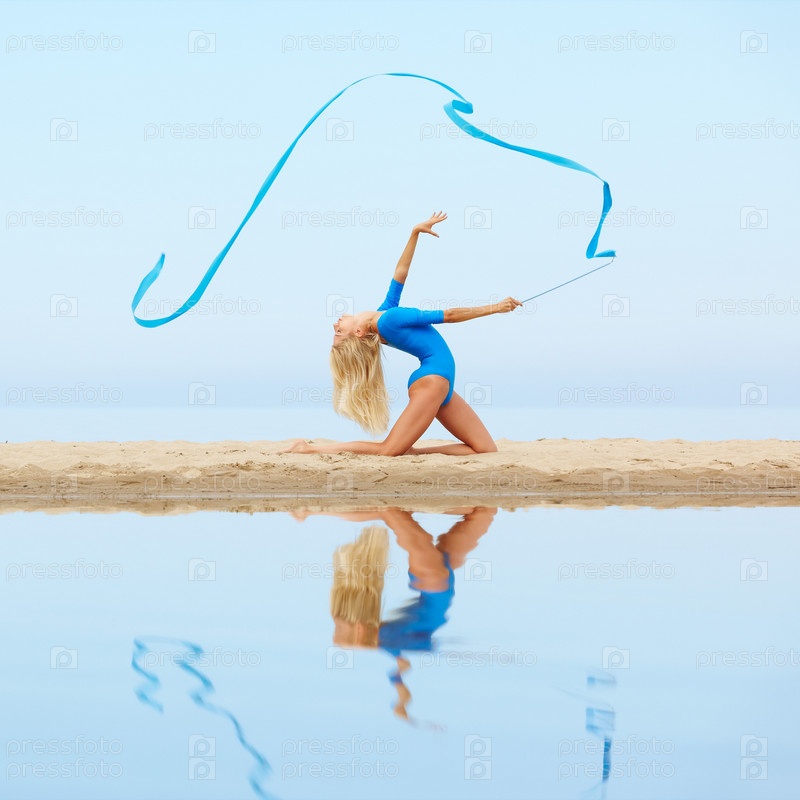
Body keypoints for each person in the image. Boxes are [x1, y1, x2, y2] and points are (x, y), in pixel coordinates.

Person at [279, 212, 521, 456]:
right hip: (432, 381)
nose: (335, 325)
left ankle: (413, 452)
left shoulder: (383, 315)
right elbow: (448, 315)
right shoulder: (389, 320)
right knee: (387, 450)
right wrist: (496, 307)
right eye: (340, 331)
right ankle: (308, 449)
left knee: (485, 450)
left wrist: (415, 233)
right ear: (359, 332)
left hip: (443, 384)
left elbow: (400, 273)